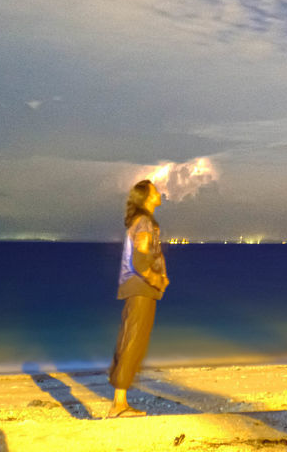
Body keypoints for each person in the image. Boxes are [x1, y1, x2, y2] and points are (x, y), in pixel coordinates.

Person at [107, 179, 169, 418]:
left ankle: (119, 401)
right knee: (133, 340)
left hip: (139, 288)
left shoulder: (143, 222)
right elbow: (140, 262)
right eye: (155, 190)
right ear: (146, 197)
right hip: (140, 289)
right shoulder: (143, 222)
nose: (159, 192)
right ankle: (118, 405)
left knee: (130, 339)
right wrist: (158, 280)